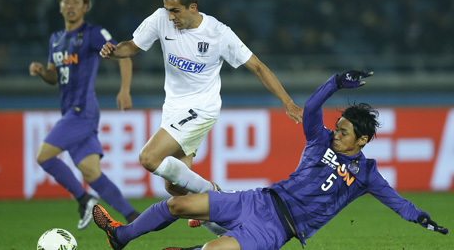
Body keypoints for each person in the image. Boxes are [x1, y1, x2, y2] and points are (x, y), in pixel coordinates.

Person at [91, 70, 448, 250]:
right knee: (177, 204)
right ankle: (120, 236)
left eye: (344, 131)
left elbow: (396, 203)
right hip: (259, 199)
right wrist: (335, 82)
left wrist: (420, 218)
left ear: (363, 140)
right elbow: (310, 108)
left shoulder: (368, 174)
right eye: (337, 127)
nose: (336, 133)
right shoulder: (318, 138)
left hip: (276, 230)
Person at [99, 0, 301, 200]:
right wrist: (115, 51)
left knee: (148, 157)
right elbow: (132, 46)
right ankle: (222, 216)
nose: (170, 17)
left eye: (175, 11)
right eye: (168, 10)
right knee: (175, 188)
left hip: (201, 109)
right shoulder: (160, 19)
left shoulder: (218, 34)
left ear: (192, 8)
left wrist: (287, 102)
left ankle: (215, 193)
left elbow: (258, 67)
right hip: (173, 108)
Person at [28, 0, 140, 230]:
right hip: (70, 112)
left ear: (85, 7)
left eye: (76, 1)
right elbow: (54, 77)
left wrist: (124, 89)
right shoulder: (55, 39)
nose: (70, 5)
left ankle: (84, 199)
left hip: (83, 111)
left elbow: (123, 54)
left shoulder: (93, 33)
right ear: (59, 6)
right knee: (91, 173)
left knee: (43, 156)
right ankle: (134, 217)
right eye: (66, 1)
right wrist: (41, 72)